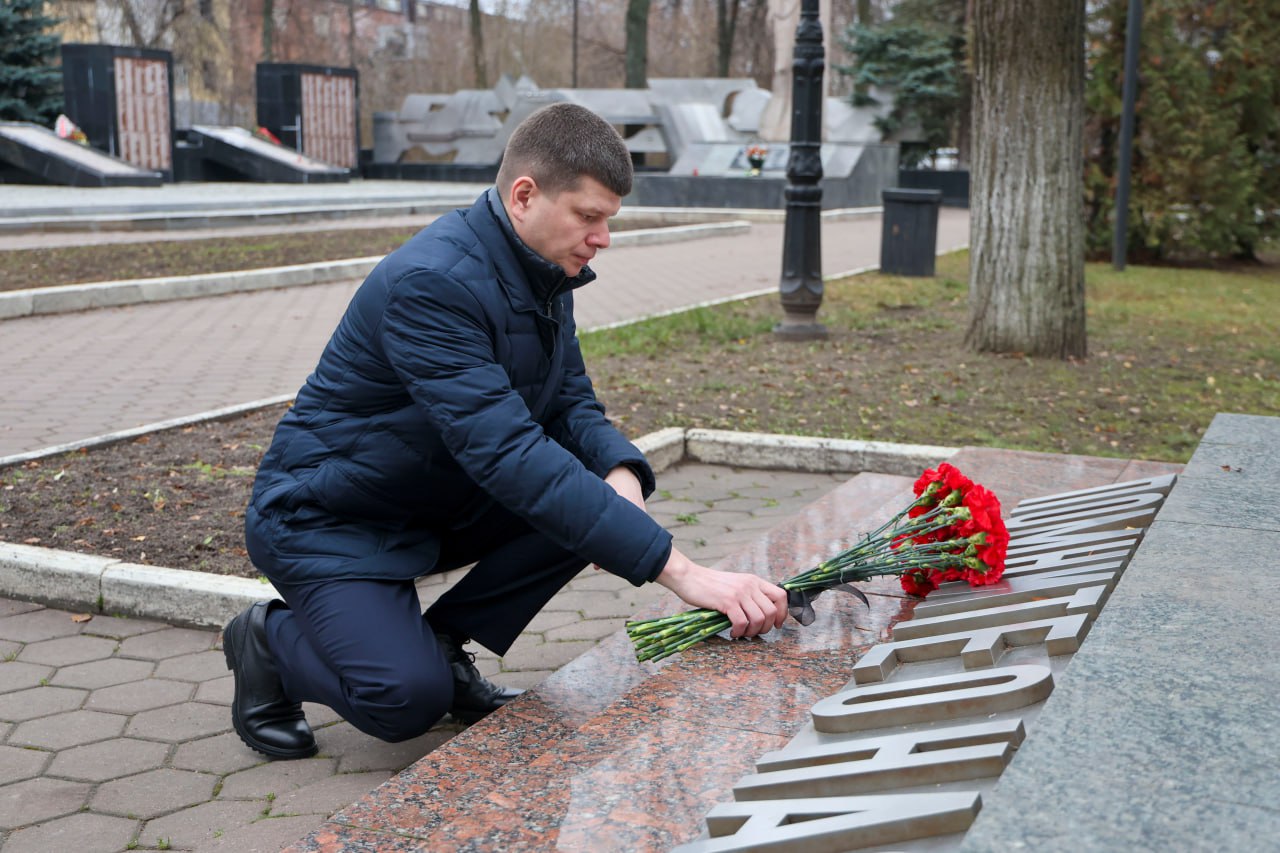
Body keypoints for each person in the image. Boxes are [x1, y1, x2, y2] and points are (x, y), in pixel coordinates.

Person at [222, 103, 789, 760]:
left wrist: (622, 476)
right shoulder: (431, 282)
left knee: (595, 503)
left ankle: (440, 642)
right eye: (589, 216)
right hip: (330, 518)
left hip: (427, 497)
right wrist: (682, 571)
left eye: (609, 219)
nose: (602, 236)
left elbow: (570, 404)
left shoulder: (545, 270)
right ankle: (267, 641)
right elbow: (510, 453)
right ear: (524, 195)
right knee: (406, 700)